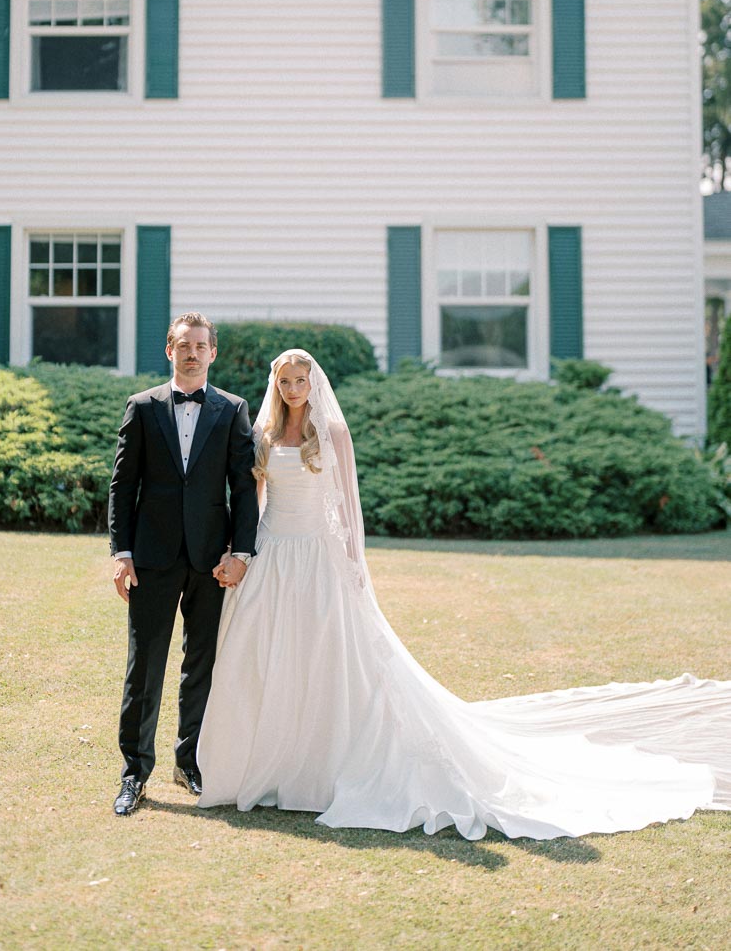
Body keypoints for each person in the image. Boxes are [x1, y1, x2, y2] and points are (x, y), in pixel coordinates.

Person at [197, 349, 731, 838]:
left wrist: (353, 566)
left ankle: (318, 769)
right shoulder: (263, 434)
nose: (293, 389)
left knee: (326, 660)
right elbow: (251, 500)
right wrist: (238, 553)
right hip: (272, 554)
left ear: (314, 383)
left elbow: (348, 506)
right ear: (275, 384)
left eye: (300, 381)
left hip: (317, 556)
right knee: (268, 659)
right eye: (285, 381)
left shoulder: (332, 432)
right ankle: (266, 763)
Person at [108, 313, 258, 816]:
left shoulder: (233, 409)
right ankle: (134, 773)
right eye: (182, 345)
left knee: (202, 666)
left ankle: (188, 761)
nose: (191, 353)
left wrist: (240, 553)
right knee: (144, 667)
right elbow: (123, 485)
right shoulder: (142, 408)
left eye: (200, 345)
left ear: (213, 352)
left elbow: (243, 486)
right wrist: (121, 552)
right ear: (167, 350)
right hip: (151, 556)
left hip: (210, 560)